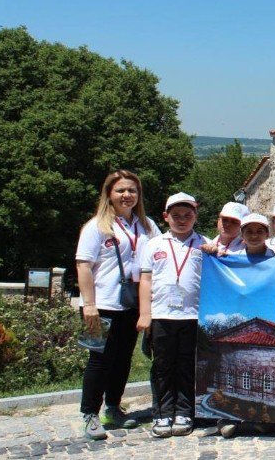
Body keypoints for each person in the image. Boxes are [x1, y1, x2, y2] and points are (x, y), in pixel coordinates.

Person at [75, 170, 159, 440]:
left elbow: (163, 252)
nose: (127, 195)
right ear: (109, 194)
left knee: (122, 359)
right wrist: (89, 304)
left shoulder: (146, 226)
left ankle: (112, 407)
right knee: (99, 360)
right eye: (121, 190)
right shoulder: (97, 227)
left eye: (132, 190)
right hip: (104, 304)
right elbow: (84, 266)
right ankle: (89, 414)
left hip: (133, 304)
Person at [137, 192, 207, 438]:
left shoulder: (204, 244)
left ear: (195, 216)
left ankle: (185, 412)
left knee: (187, 366)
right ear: (166, 217)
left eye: (187, 215)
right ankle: (163, 413)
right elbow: (145, 280)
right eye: (176, 215)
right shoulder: (154, 244)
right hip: (161, 315)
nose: (182, 219)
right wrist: (145, 314)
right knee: (163, 367)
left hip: (192, 316)